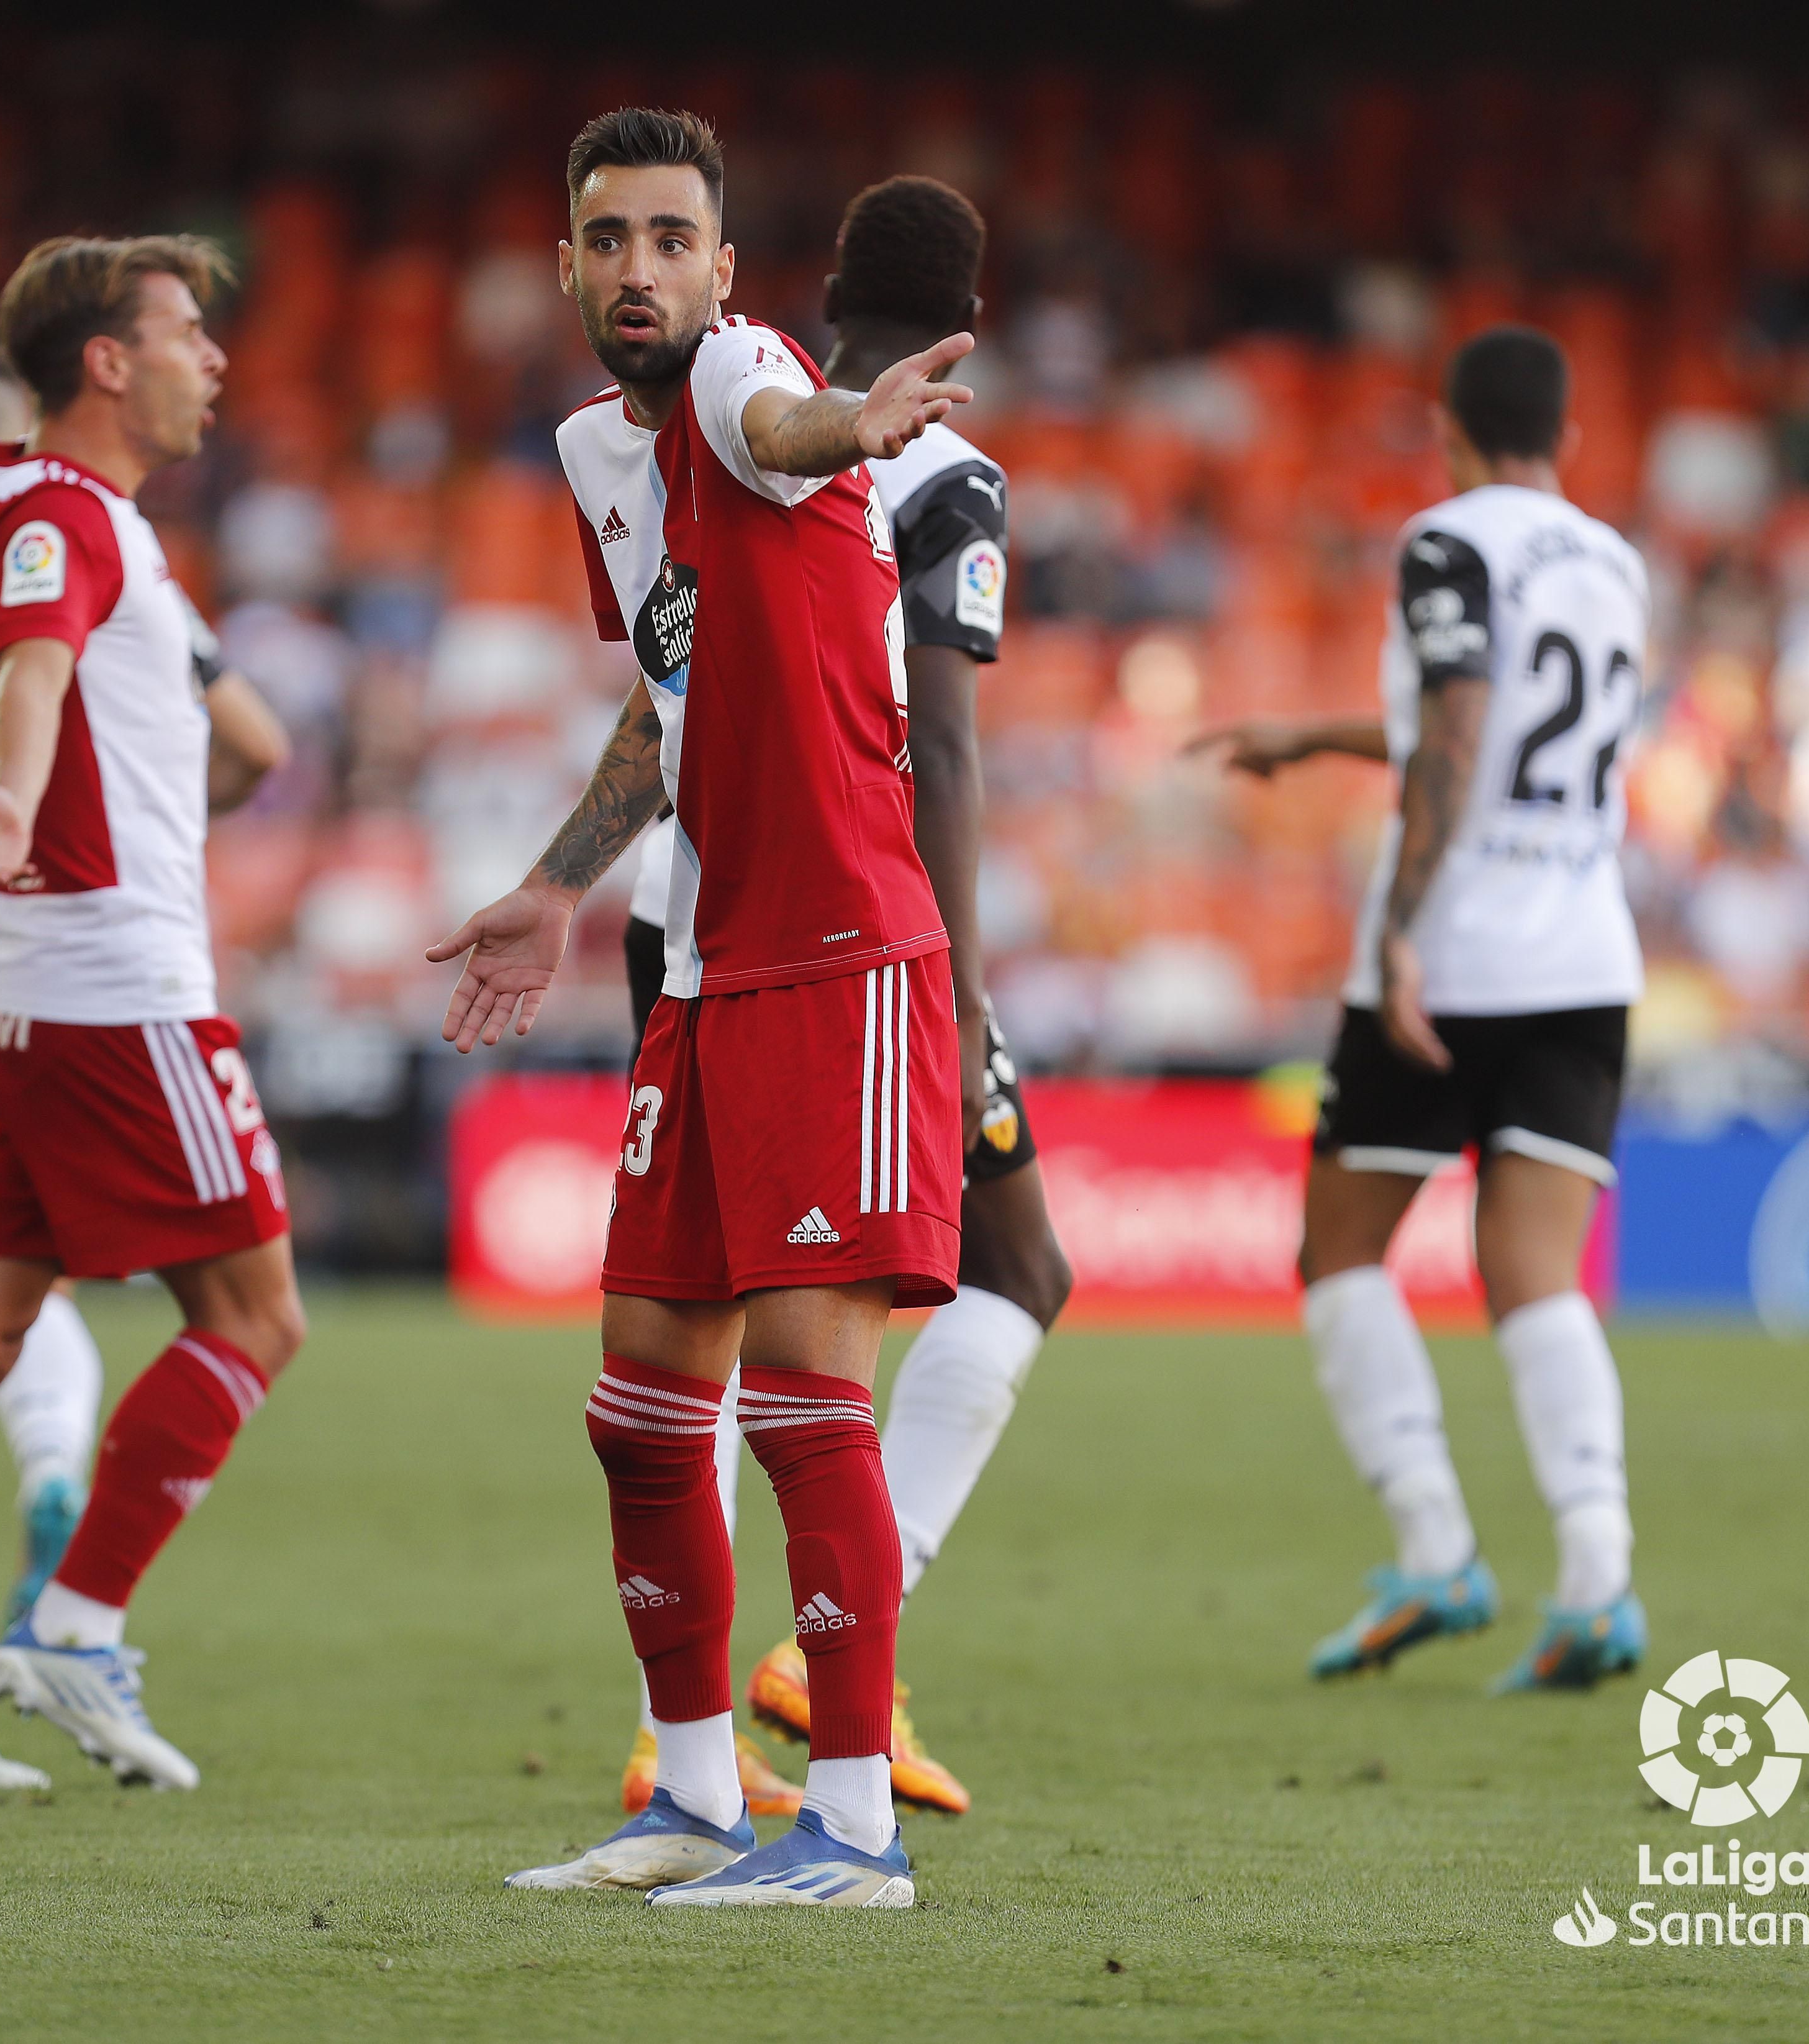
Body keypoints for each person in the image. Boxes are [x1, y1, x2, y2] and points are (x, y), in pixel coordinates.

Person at [431, 108, 971, 1907]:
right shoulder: (599, 450)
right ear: (568, 266)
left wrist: (857, 420)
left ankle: (854, 1829)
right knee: (643, 1401)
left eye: (673, 238)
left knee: (808, 1395)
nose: (641, 270)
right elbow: (670, 696)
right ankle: (686, 1795)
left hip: (839, 959)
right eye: (609, 241)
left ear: (724, 272)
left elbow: (776, 425)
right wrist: (552, 883)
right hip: (706, 966)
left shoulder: (754, 373)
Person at [613, 175, 1072, 1823]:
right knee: (987, 1275)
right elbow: (939, 743)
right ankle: (820, 1682)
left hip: (691, 921)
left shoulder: (722, 433)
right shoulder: (940, 467)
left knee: (689, 1336)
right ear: (969, 307)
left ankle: (693, 1738)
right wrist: (947, 984)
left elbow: (663, 696)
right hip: (854, 931)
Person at [0, 235, 303, 1794]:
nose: (211, 360)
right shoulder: (59, 515)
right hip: (111, 990)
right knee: (253, 1316)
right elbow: (31, 667)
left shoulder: (57, 512)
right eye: (184, 333)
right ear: (107, 360)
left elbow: (167, 715)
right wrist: (19, 798)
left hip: (17, 989)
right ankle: (74, 1624)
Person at [1189, 325, 1649, 1693]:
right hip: (1585, 952)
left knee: (1338, 1251)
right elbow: (1498, 730)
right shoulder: (1614, 562)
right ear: (1564, 439)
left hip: (1450, 956)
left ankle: (1437, 1543)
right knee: (1534, 1276)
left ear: (1448, 429)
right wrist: (1317, 734)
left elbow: (1458, 729)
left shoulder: (1445, 540)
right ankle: (1596, 1576)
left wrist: (1395, 936)